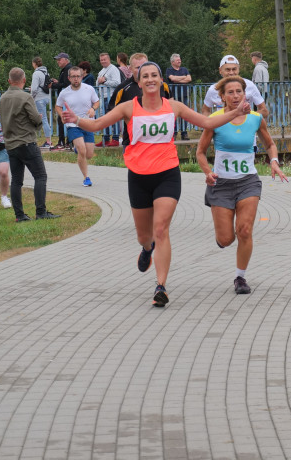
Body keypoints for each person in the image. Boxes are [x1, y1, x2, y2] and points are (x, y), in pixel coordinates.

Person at [61, 62, 250, 307]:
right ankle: (146, 248)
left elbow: (207, 123)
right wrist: (76, 119)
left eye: (154, 75)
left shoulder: (174, 107)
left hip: (167, 173)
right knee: (144, 236)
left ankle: (160, 286)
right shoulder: (128, 107)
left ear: (161, 80)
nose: (150, 79)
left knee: (161, 229)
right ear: (138, 83)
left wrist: (235, 113)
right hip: (138, 176)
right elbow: (97, 125)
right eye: (145, 76)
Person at [196, 75, 288, 295]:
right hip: (221, 184)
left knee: (244, 230)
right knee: (226, 238)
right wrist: (208, 172)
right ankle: (222, 237)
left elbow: (270, 143)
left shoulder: (256, 118)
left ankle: (240, 277)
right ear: (222, 97)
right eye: (230, 92)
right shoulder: (215, 120)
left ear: (245, 94)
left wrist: (274, 161)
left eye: (239, 91)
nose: (235, 96)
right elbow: (200, 152)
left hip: (248, 182)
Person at [0, 68, 60, 223]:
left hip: (10, 144)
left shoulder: (3, 98)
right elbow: (35, 118)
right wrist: (38, 121)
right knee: (40, 176)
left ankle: (19, 215)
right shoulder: (25, 97)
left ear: (9, 81)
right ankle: (41, 211)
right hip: (26, 142)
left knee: (17, 180)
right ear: (24, 80)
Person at [109, 53, 174, 148]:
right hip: (132, 143)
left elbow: (172, 106)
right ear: (130, 69)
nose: (142, 70)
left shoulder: (161, 85)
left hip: (160, 141)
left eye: (144, 66)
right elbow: (111, 112)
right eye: (138, 67)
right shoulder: (122, 89)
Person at [55, 66, 100, 187]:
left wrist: (93, 108)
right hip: (72, 125)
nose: (76, 79)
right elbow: (58, 106)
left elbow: (97, 101)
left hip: (87, 123)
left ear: (82, 76)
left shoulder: (89, 89)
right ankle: (86, 178)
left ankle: (77, 149)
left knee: (89, 154)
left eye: (78, 76)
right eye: (73, 76)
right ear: (69, 78)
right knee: (82, 150)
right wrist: (62, 116)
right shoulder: (64, 92)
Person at [201, 55, 268, 117]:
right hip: (223, 127)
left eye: (234, 69)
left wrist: (249, 118)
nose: (231, 73)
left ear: (238, 69)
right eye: (227, 69)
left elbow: (264, 111)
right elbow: (205, 111)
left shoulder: (249, 85)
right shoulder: (214, 89)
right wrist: (213, 124)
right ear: (220, 70)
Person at [96, 52, 123, 147]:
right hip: (103, 97)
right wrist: (100, 82)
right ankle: (106, 138)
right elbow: (97, 83)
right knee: (104, 118)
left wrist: (105, 81)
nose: (103, 61)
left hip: (111, 96)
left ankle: (115, 139)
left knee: (113, 118)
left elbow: (117, 83)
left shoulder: (113, 69)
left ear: (109, 59)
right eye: (101, 60)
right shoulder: (102, 70)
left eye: (104, 59)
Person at [29, 56, 53, 149]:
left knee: (43, 119)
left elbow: (34, 89)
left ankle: (48, 141)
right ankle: (48, 140)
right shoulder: (46, 72)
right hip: (46, 97)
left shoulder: (36, 74)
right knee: (44, 118)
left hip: (39, 98)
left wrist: (31, 96)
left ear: (34, 64)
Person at [50, 52, 72, 150]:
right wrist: (58, 83)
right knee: (64, 119)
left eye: (60, 59)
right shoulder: (65, 69)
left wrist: (54, 85)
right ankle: (66, 142)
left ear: (66, 60)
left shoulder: (68, 69)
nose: (58, 62)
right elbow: (64, 83)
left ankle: (64, 142)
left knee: (63, 119)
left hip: (66, 100)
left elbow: (66, 85)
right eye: (57, 60)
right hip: (66, 99)